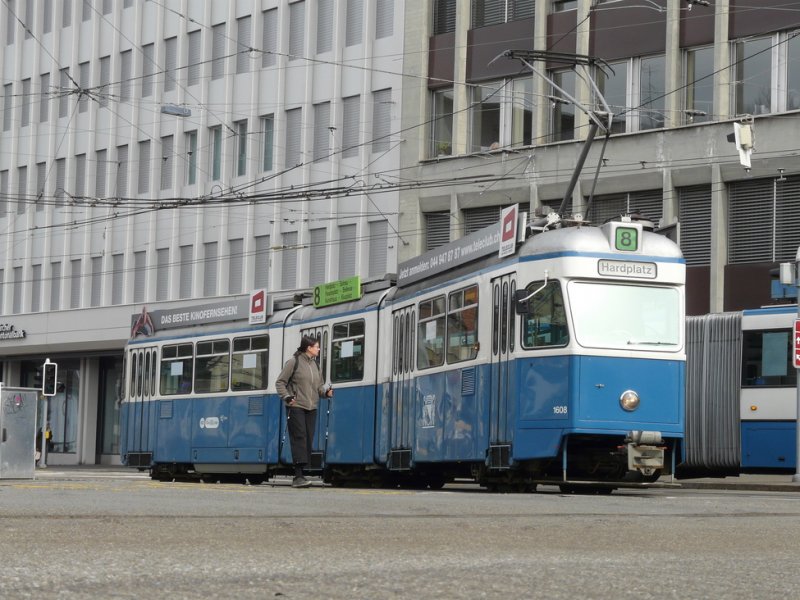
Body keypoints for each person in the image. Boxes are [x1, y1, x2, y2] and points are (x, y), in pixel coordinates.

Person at [275, 335, 333, 488]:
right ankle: (298, 476)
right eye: (317, 346)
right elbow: (280, 382)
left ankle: (301, 474)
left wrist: (325, 393)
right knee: (299, 437)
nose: (319, 349)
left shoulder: (316, 365)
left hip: (311, 407)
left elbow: (319, 387)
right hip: (296, 406)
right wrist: (287, 397)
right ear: (309, 348)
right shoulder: (293, 362)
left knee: (307, 438)